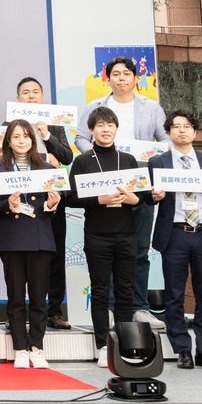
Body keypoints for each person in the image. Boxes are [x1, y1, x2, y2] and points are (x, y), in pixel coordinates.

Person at [76, 56, 168, 328]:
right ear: (108, 78)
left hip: (138, 184)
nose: (121, 78)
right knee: (106, 251)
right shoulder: (96, 107)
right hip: (103, 186)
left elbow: (164, 141)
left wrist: (150, 161)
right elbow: (80, 137)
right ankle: (112, 308)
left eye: (127, 73)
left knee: (138, 250)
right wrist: (94, 160)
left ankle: (138, 306)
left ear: (135, 78)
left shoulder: (151, 107)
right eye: (115, 74)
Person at [148, 110, 202, 370]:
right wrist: (154, 196)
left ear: (195, 132)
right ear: (169, 132)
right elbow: (145, 196)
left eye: (187, 126)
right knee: (174, 296)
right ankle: (183, 349)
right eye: (176, 126)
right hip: (174, 233)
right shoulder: (157, 163)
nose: (182, 130)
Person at [67, 106, 152, 367]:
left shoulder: (128, 160)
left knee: (125, 291)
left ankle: (126, 343)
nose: (106, 130)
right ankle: (104, 345)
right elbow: (70, 197)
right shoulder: (82, 161)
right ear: (91, 130)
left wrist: (132, 198)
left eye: (110, 125)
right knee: (101, 291)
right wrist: (99, 199)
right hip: (97, 235)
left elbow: (145, 197)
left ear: (116, 129)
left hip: (127, 235)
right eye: (100, 126)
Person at [0, 120, 60, 369]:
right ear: (8, 140)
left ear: (33, 140)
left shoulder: (46, 167)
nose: (21, 141)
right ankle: (20, 347)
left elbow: (50, 207)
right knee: (16, 297)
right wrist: (9, 205)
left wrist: (52, 204)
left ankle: (37, 347)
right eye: (16, 136)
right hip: (12, 238)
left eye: (26, 136)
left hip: (40, 238)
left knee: (39, 298)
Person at [15, 76, 76, 330]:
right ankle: (24, 311)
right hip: (22, 197)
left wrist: (46, 134)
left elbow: (67, 156)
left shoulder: (55, 124)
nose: (31, 96)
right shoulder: (11, 124)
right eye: (26, 92)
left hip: (51, 196)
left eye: (35, 92)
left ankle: (54, 311)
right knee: (22, 258)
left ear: (43, 97)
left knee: (55, 254)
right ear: (18, 98)